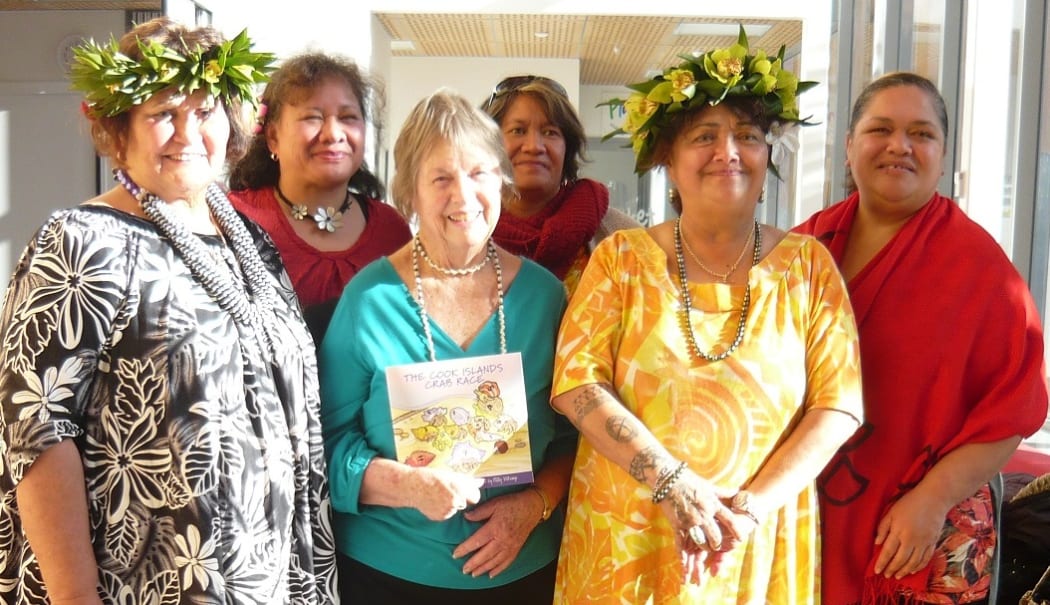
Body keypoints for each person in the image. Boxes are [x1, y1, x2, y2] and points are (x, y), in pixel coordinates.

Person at [0, 18, 337, 604]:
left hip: (267, 582)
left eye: (205, 111)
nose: (187, 131)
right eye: (163, 113)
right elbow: (36, 434)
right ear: (120, 127)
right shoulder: (81, 242)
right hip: (144, 583)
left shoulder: (251, 244)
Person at [550, 30, 865, 603]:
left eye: (747, 135)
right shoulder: (621, 260)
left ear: (767, 154)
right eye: (704, 137)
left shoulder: (808, 267)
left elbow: (838, 406)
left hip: (756, 541)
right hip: (628, 539)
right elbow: (576, 384)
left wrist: (746, 511)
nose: (728, 151)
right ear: (668, 161)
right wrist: (673, 485)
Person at [794, 71, 1049, 605]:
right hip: (806, 513)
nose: (899, 146)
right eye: (880, 129)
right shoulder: (802, 250)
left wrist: (932, 500)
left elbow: (1013, 410)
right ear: (849, 147)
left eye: (922, 134)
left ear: (943, 152)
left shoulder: (982, 272)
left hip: (926, 528)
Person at [318, 90, 575, 604]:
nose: (463, 196)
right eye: (441, 178)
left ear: (501, 180)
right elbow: (320, 443)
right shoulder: (369, 300)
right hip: (388, 575)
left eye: (479, 173)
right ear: (409, 194)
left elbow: (576, 436)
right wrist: (403, 485)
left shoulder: (546, 297)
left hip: (522, 572)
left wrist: (535, 505)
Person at [228, 52, 411, 341]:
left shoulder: (391, 230)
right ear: (273, 137)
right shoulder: (233, 219)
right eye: (313, 117)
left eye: (349, 117)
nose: (333, 133)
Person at [481, 75, 639, 297]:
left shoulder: (620, 235)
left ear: (568, 148)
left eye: (550, 132)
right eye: (518, 130)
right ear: (489, 143)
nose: (534, 146)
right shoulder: (465, 230)